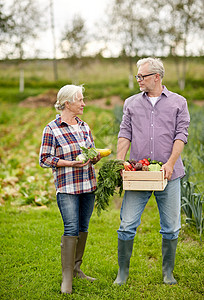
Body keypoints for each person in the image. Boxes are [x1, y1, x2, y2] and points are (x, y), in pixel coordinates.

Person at [114, 57, 190, 286]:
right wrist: (119, 161)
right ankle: (122, 273)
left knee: (171, 227)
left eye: (142, 76)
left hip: (169, 174)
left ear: (156, 77)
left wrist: (169, 163)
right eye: (137, 76)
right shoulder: (131, 103)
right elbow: (125, 132)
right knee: (127, 224)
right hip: (139, 173)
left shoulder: (179, 102)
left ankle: (168, 273)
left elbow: (181, 135)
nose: (138, 80)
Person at [39, 84, 101, 294]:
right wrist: (69, 163)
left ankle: (76, 269)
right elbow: (45, 159)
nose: (84, 103)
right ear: (67, 103)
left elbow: (90, 151)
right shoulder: (52, 129)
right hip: (67, 187)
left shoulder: (84, 127)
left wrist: (95, 156)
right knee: (71, 227)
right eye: (80, 100)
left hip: (88, 184)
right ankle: (67, 279)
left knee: (83, 226)